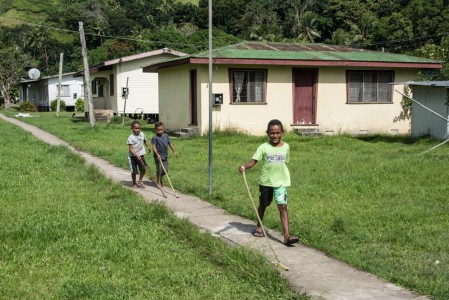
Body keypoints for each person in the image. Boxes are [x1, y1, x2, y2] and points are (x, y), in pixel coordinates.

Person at [239, 119, 299, 246]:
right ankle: (259, 226)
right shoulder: (263, 147)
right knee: (263, 205)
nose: (275, 136)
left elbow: (285, 162)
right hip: (266, 182)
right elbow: (254, 161)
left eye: (278, 133)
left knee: (282, 206)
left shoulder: (286, 147)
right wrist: (245, 166)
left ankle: (287, 236)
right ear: (267, 133)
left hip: (281, 182)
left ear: (282, 133)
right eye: (272, 133)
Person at [151, 122, 177, 187]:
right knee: (159, 169)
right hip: (158, 156)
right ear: (155, 130)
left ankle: (159, 178)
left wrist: (174, 151)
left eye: (161, 130)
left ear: (163, 129)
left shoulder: (166, 136)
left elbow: (170, 144)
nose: (160, 131)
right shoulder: (155, 137)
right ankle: (158, 181)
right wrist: (157, 154)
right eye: (158, 130)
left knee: (165, 170)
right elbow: (153, 146)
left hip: (165, 156)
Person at [127, 120, 151, 189]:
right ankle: (134, 183)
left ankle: (140, 180)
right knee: (134, 171)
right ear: (132, 128)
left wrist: (148, 146)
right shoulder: (130, 137)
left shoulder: (142, 134)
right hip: (133, 157)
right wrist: (136, 155)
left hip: (141, 155)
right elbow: (131, 149)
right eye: (135, 128)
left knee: (143, 169)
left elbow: (144, 141)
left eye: (138, 128)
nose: (137, 130)